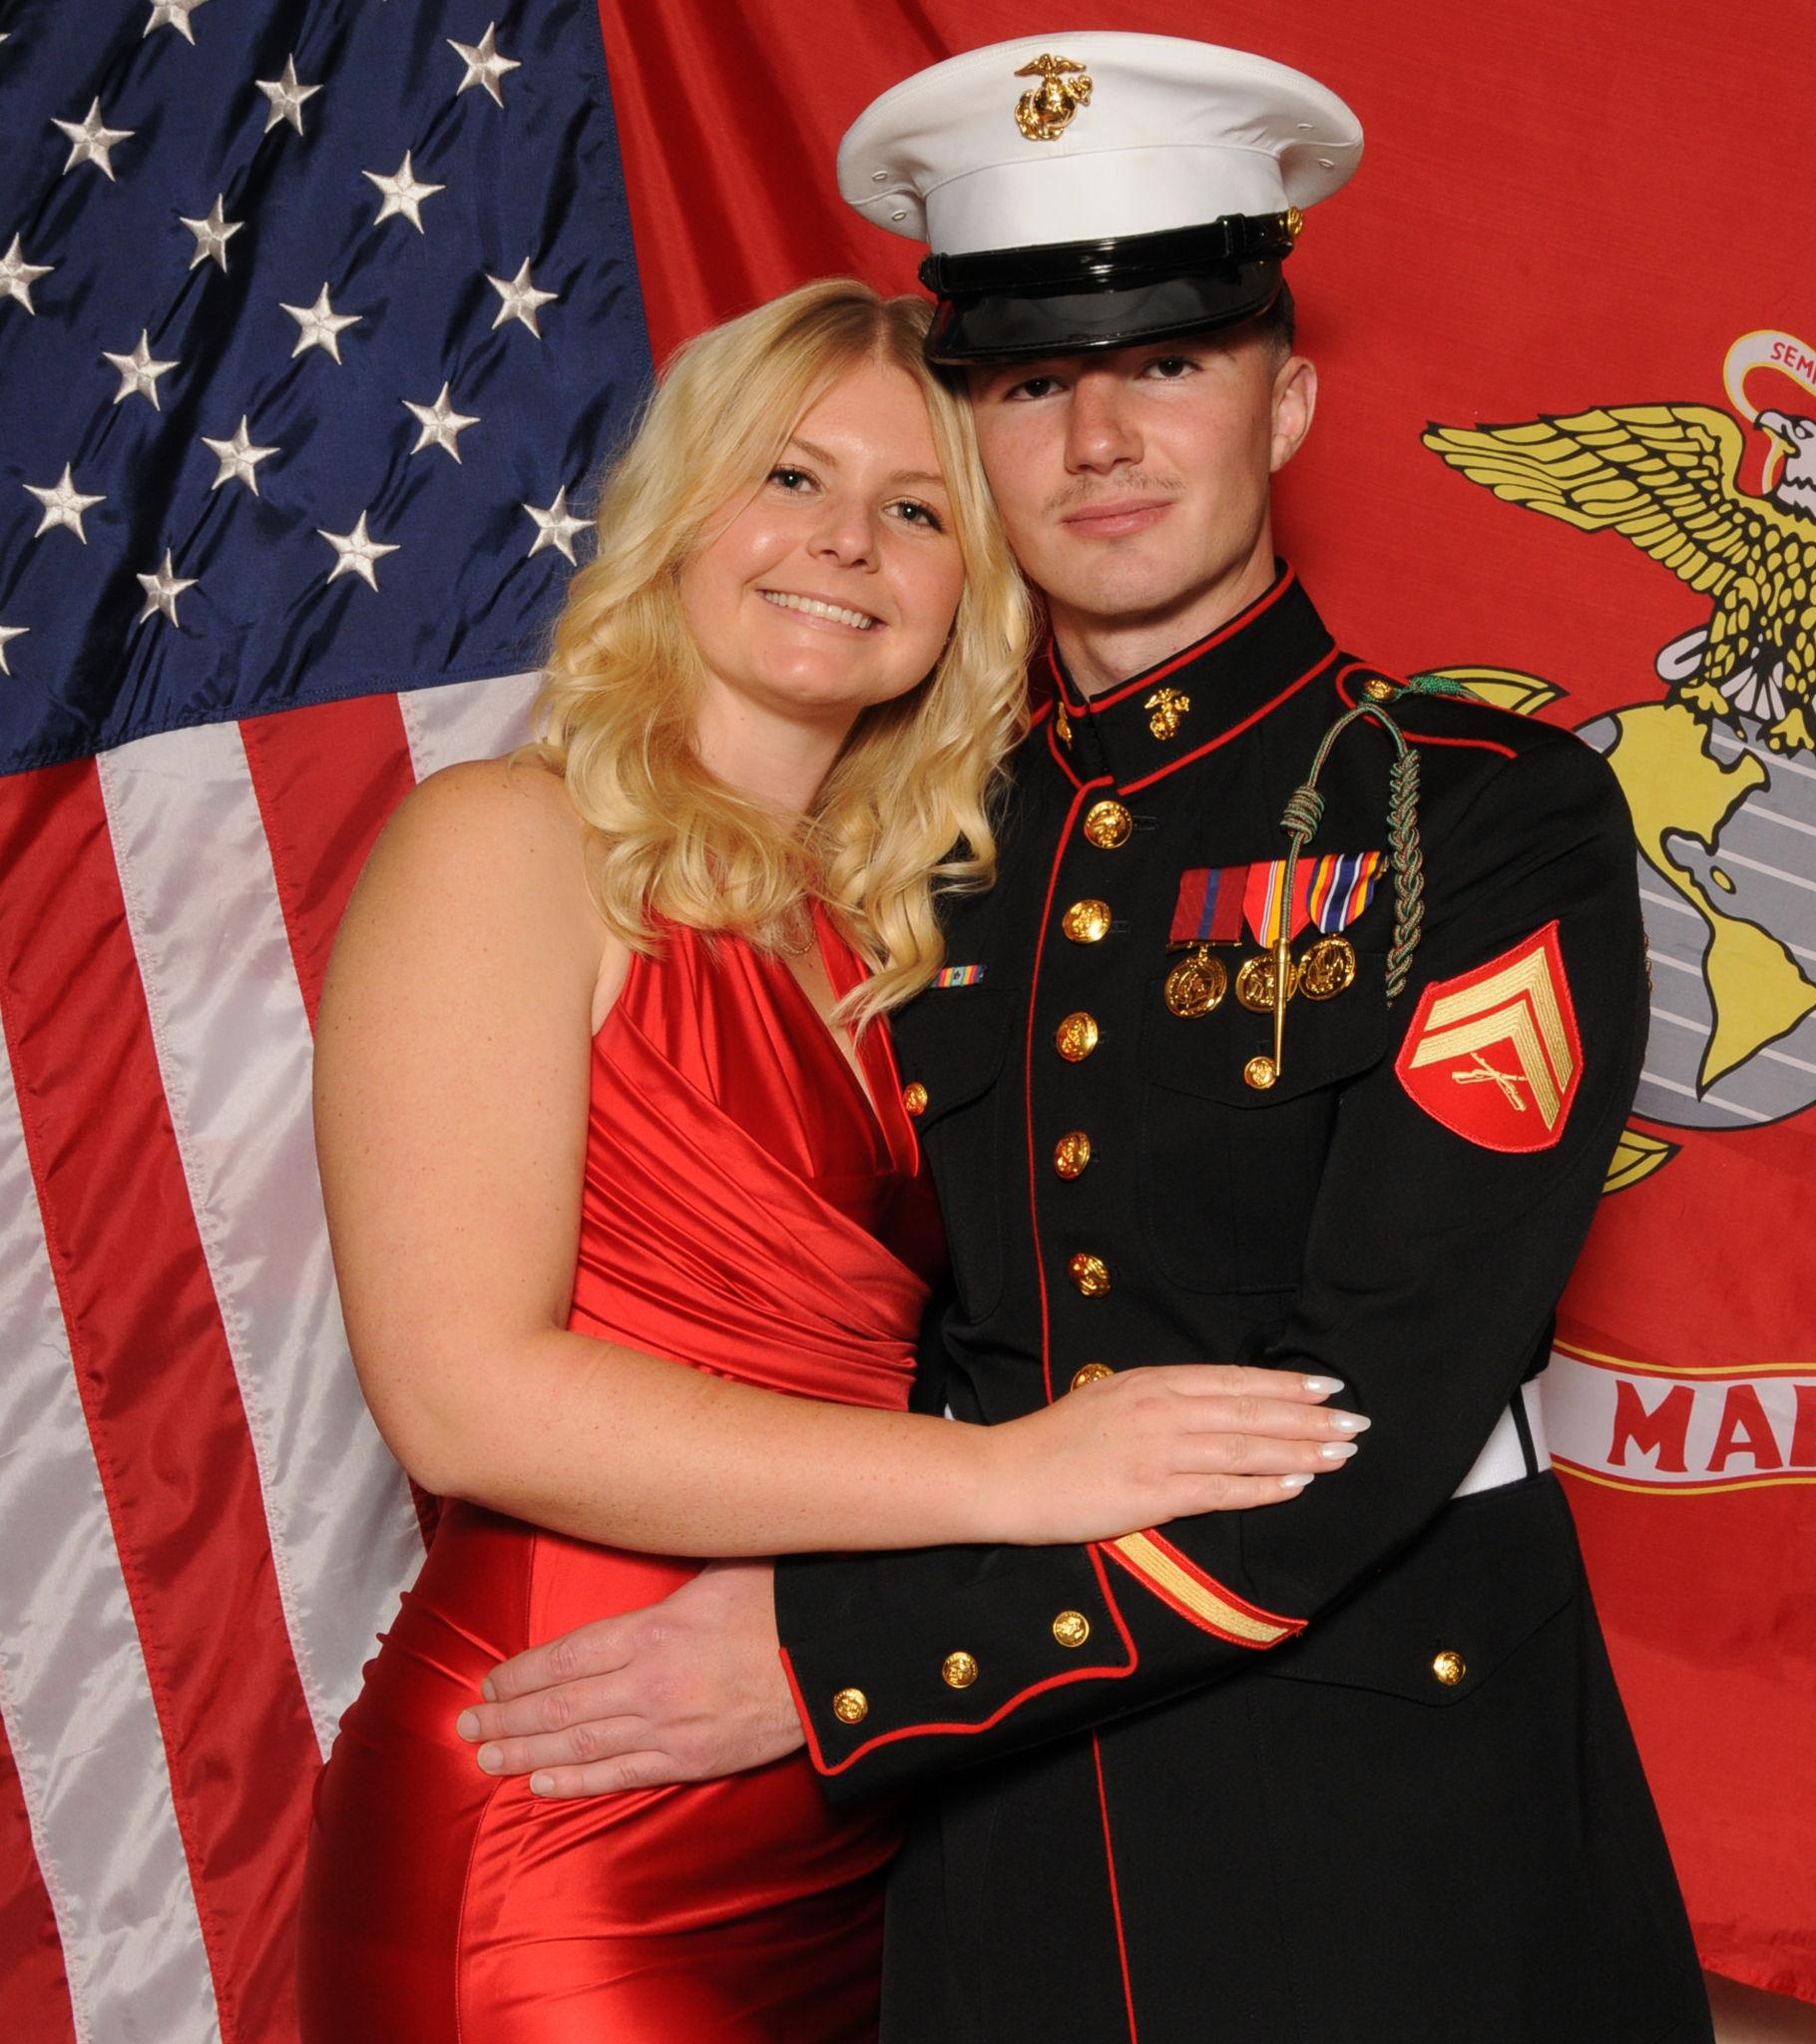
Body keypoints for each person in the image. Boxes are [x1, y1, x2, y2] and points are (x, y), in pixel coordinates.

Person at [453, 36, 1717, 2043]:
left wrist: (840, 1663)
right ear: (976, 443)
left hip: (1382, 1833)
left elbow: (1379, 1403)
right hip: (996, 1858)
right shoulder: (904, 851)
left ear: (1284, 400)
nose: (1103, 437)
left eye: (1170, 362)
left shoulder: (1473, 815)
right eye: (1034, 384)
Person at [295, 275, 1360, 2043]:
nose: (848, 543)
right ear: (680, 510)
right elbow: (463, 1402)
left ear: (973, 586)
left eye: (919, 510)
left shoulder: (914, 935)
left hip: (855, 1785)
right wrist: (1016, 1480)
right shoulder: (505, 842)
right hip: (567, 1804)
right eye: (790, 478)